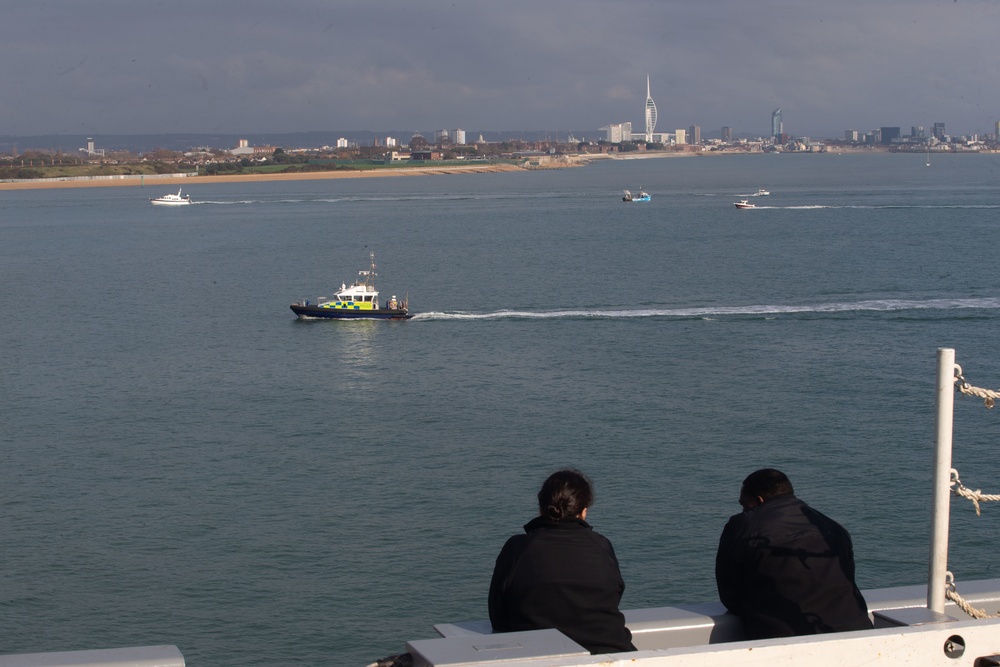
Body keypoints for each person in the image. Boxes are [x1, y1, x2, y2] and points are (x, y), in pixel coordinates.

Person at [488, 469, 635, 655]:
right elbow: (613, 596)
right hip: (612, 654)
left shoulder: (517, 548)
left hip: (537, 656)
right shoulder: (601, 545)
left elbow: (498, 618)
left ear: (541, 508)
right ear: (584, 511)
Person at [715, 468, 873, 639]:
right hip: (858, 633)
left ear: (759, 500)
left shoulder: (745, 525)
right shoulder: (833, 527)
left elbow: (730, 594)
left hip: (787, 639)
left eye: (744, 504)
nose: (743, 510)